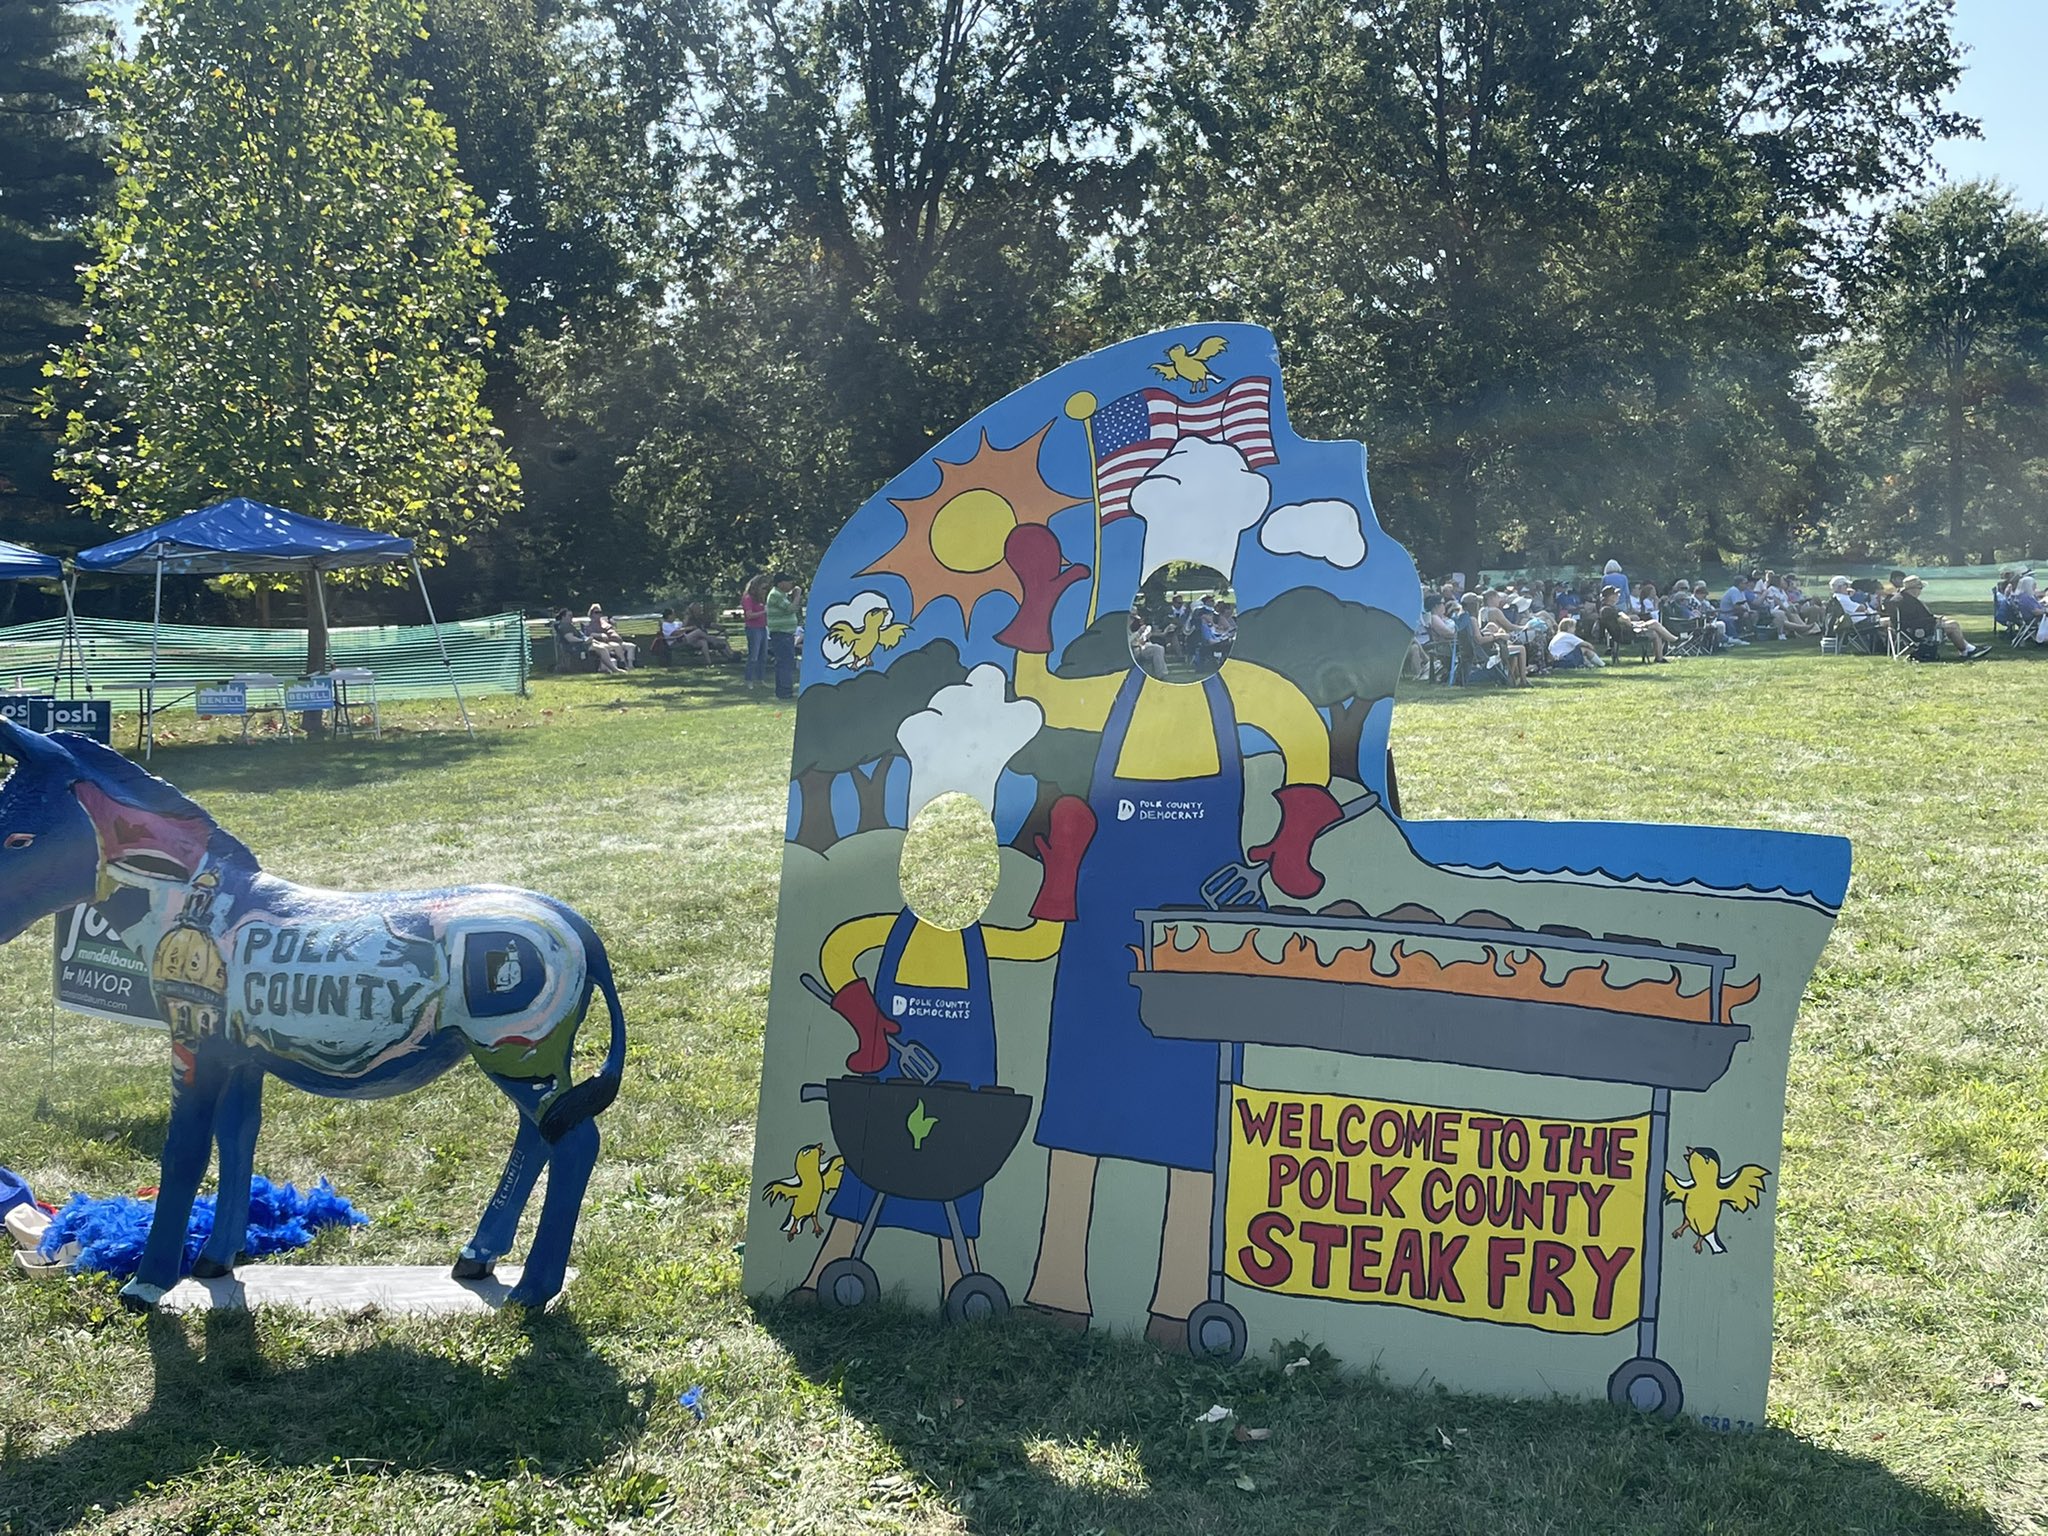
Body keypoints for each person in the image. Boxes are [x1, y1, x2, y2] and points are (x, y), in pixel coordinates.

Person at [1889, 576, 1988, 659]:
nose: (1920, 592)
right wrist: (1934, 620)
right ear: (1914, 589)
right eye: (1920, 589)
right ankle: (1966, 651)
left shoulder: (1899, 599)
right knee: (1953, 625)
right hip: (1916, 630)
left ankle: (1968, 648)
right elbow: (1918, 619)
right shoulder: (1910, 602)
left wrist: (1936, 619)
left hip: (1905, 630)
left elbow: (1914, 618)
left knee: (1947, 621)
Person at [765, 571, 802, 699]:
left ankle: (783, 690)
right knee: (785, 663)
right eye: (788, 581)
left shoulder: (781, 595)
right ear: (780, 583)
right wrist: (797, 596)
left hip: (785, 634)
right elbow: (791, 609)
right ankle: (785, 691)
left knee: (784, 662)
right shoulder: (776, 595)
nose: (791, 583)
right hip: (781, 634)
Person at [551, 608, 619, 674]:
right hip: (576, 647)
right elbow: (570, 639)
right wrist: (583, 641)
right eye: (569, 616)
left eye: (572, 616)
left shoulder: (568, 625)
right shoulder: (564, 626)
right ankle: (614, 669)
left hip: (581, 644)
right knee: (602, 649)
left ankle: (604, 668)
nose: (571, 617)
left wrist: (589, 639)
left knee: (605, 646)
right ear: (563, 616)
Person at [584, 604, 637, 668]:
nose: (599, 614)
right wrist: (600, 635)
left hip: (618, 640)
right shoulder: (589, 625)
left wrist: (613, 623)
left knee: (631, 646)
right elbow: (589, 634)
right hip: (607, 642)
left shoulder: (604, 622)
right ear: (591, 614)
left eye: (600, 612)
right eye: (596, 612)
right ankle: (624, 663)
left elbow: (612, 626)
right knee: (616, 646)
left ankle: (631, 665)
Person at [741, 574, 770, 687]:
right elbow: (749, 615)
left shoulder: (761, 599)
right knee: (754, 655)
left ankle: (760, 679)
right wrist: (764, 612)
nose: (764, 591)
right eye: (763, 588)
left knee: (763, 655)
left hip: (762, 628)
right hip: (753, 629)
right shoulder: (748, 598)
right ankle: (749, 680)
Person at [1129, 612, 1168, 678]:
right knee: (1156, 649)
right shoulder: (1124, 628)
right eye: (1132, 618)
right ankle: (1161, 675)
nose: (1133, 620)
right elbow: (1129, 640)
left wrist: (1145, 637)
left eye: (1134, 619)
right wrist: (1139, 632)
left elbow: (1138, 640)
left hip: (1140, 646)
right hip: (1132, 650)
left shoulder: (1133, 626)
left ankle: (1162, 674)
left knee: (1159, 648)